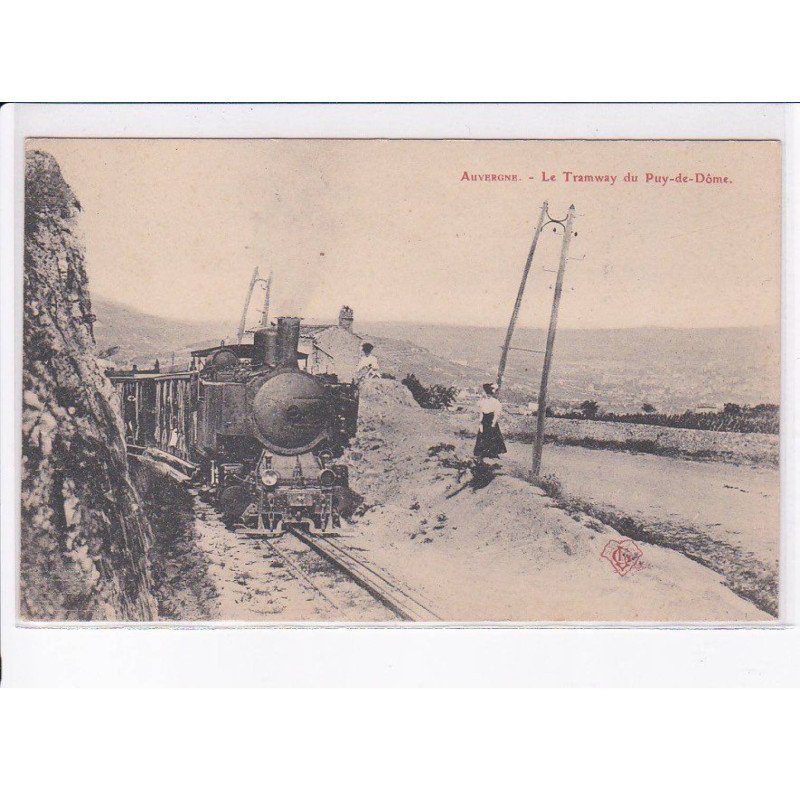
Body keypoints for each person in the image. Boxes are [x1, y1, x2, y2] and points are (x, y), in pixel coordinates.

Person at [474, 382, 507, 462]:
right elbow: (481, 412)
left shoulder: (496, 402)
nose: (488, 395)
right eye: (487, 393)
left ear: (492, 394)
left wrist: (493, 423)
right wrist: (480, 423)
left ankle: (493, 453)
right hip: (484, 421)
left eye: (490, 394)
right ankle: (482, 453)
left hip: (491, 420)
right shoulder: (483, 401)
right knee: (482, 435)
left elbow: (496, 414)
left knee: (492, 436)